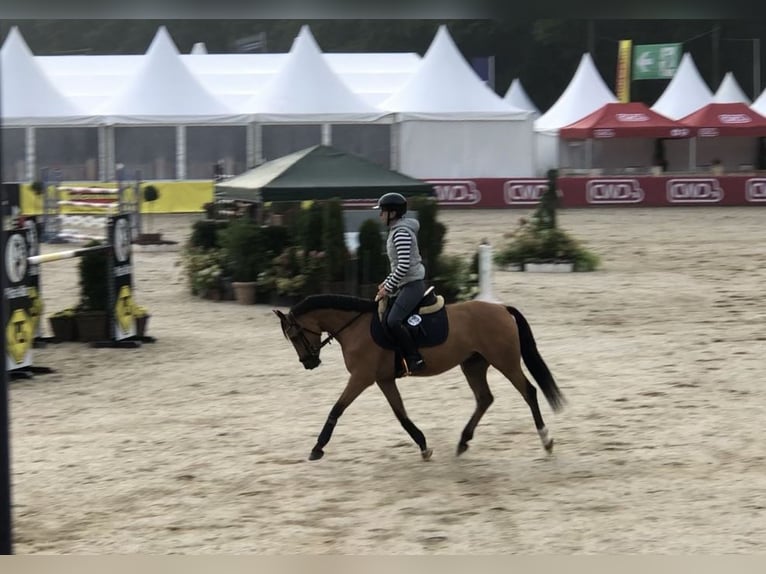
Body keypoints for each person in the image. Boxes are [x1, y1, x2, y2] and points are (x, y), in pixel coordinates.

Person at [374, 192, 427, 374]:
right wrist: (386, 283)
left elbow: (404, 265)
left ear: (392, 213)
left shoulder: (401, 233)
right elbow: (398, 266)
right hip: (406, 283)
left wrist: (388, 287)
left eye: (382, 211)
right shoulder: (397, 231)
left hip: (413, 285)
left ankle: (414, 358)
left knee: (393, 320)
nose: (380, 215)